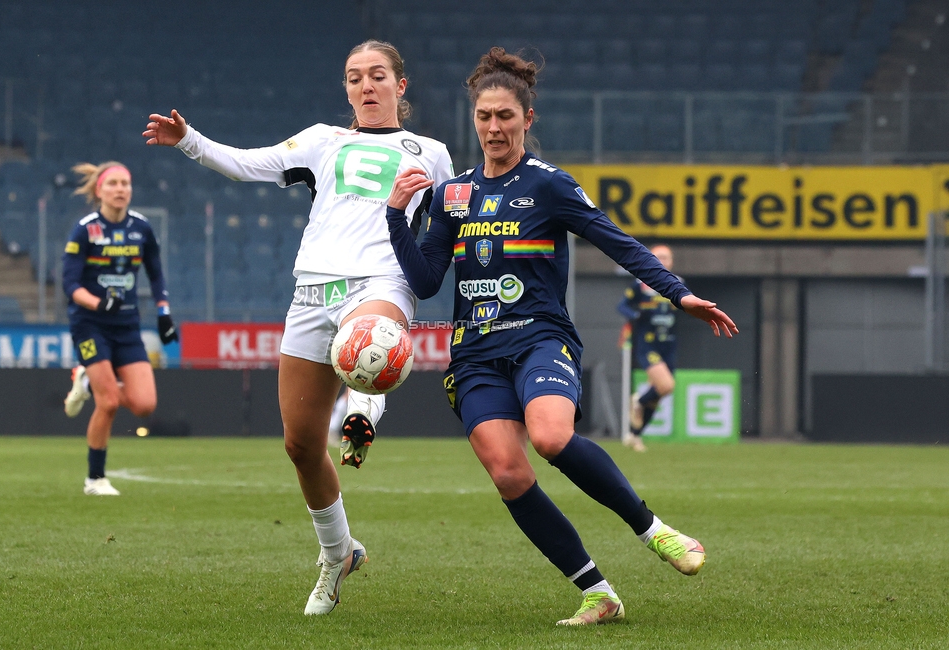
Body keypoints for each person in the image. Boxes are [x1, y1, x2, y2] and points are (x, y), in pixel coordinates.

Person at [384, 47, 738, 626]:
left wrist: (678, 293)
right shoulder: (452, 195)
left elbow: (616, 240)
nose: (494, 127)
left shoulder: (549, 186)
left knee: (550, 437)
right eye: (483, 116)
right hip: (474, 353)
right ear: (472, 119)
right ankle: (598, 593)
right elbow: (424, 281)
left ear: (528, 119)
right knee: (507, 471)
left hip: (538, 338)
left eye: (505, 116)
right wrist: (398, 216)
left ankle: (653, 531)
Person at [142, 40, 455, 615]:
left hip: (382, 282)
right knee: (300, 444)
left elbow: (448, 228)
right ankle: (338, 554)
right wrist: (187, 140)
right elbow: (245, 163)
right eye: (354, 77)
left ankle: (363, 410)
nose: (366, 85)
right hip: (313, 292)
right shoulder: (320, 141)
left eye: (378, 76)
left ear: (400, 86)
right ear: (346, 88)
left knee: (371, 343)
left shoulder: (432, 154)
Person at [62, 161, 179, 496]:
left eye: (125, 183)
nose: (120, 189)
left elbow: (156, 274)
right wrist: (99, 304)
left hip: (127, 325)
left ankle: (84, 380)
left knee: (144, 404)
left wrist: (163, 313)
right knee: (109, 401)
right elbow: (70, 285)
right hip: (89, 324)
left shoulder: (141, 228)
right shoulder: (84, 229)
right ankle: (95, 479)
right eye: (112, 183)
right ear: (99, 190)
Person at [617, 243, 679, 452]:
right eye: (658, 257)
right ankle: (638, 402)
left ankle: (635, 435)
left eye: (666, 258)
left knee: (660, 393)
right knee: (667, 385)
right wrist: (636, 315)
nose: (663, 261)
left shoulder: (677, 283)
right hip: (647, 343)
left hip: (668, 343)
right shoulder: (640, 285)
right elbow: (622, 306)